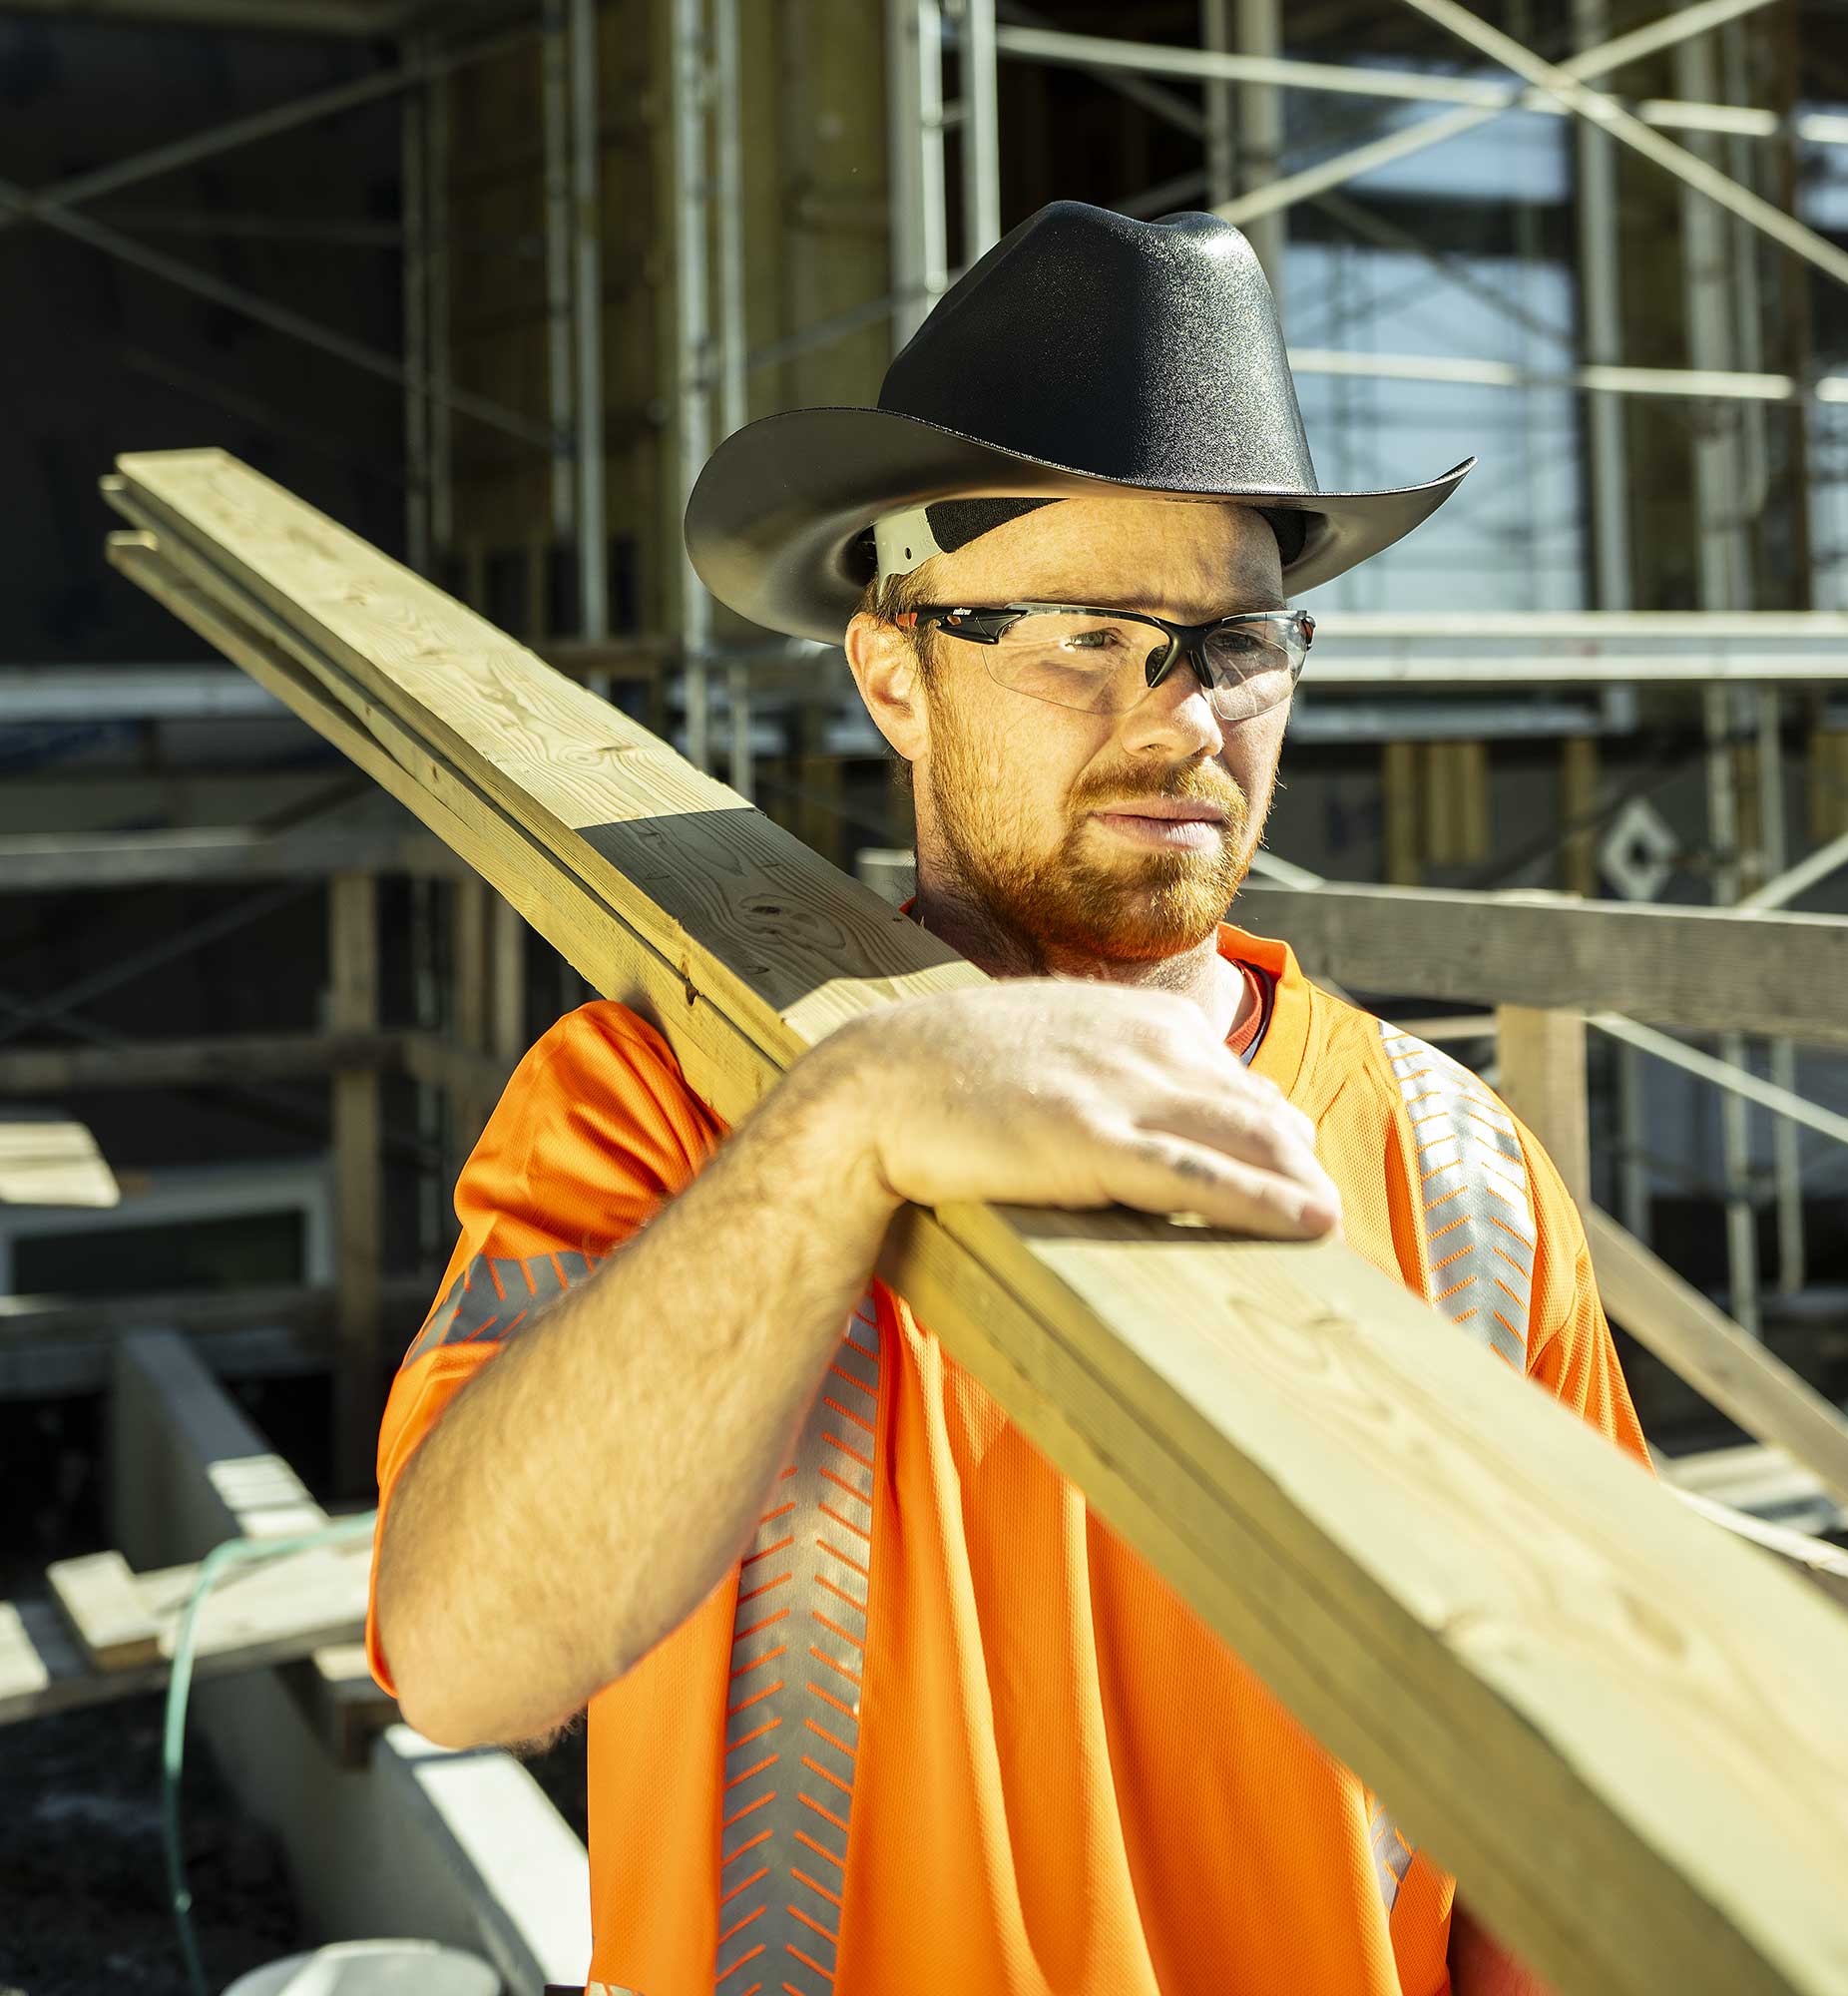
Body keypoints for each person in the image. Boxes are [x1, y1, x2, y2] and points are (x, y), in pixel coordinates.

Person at [368, 202, 1648, 1996]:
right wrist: (841, 1137)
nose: (1186, 721)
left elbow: (1581, 1819)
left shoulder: (1464, 1176)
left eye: (1238, 640)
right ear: (896, 670)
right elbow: (461, 1661)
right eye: (1082, 636)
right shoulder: (669, 1104)